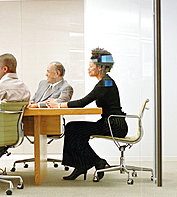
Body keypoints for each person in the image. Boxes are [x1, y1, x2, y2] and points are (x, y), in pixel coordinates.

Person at [46, 47, 128, 181]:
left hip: (114, 125)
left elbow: (83, 102)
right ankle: (85, 164)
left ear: (100, 67)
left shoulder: (105, 84)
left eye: (91, 66)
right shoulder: (105, 82)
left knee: (73, 129)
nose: (88, 69)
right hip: (109, 122)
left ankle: (94, 162)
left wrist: (58, 105)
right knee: (73, 129)